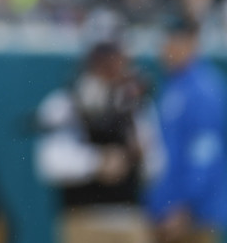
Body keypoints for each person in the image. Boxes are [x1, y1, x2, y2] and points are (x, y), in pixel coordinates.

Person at [34, 27, 160, 243]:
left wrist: (136, 155)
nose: (111, 69)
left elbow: (156, 165)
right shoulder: (67, 103)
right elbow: (49, 161)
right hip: (83, 219)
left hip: (128, 219)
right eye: (104, 61)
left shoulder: (136, 106)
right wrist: (97, 162)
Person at [146, 12, 227, 243]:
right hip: (166, 212)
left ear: (192, 43)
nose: (167, 49)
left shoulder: (203, 89)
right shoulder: (173, 85)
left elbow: (206, 154)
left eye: (174, 41)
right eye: (165, 41)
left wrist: (187, 208)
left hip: (190, 217)